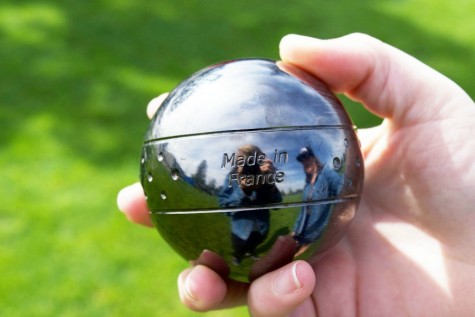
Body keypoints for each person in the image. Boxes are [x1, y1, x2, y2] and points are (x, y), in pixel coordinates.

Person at [117, 33, 475, 316]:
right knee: (242, 246)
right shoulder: (231, 180)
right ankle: (244, 252)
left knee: (248, 249)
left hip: (275, 224)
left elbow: (273, 197)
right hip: (243, 225)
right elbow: (226, 200)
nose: (256, 169)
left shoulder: (291, 177)